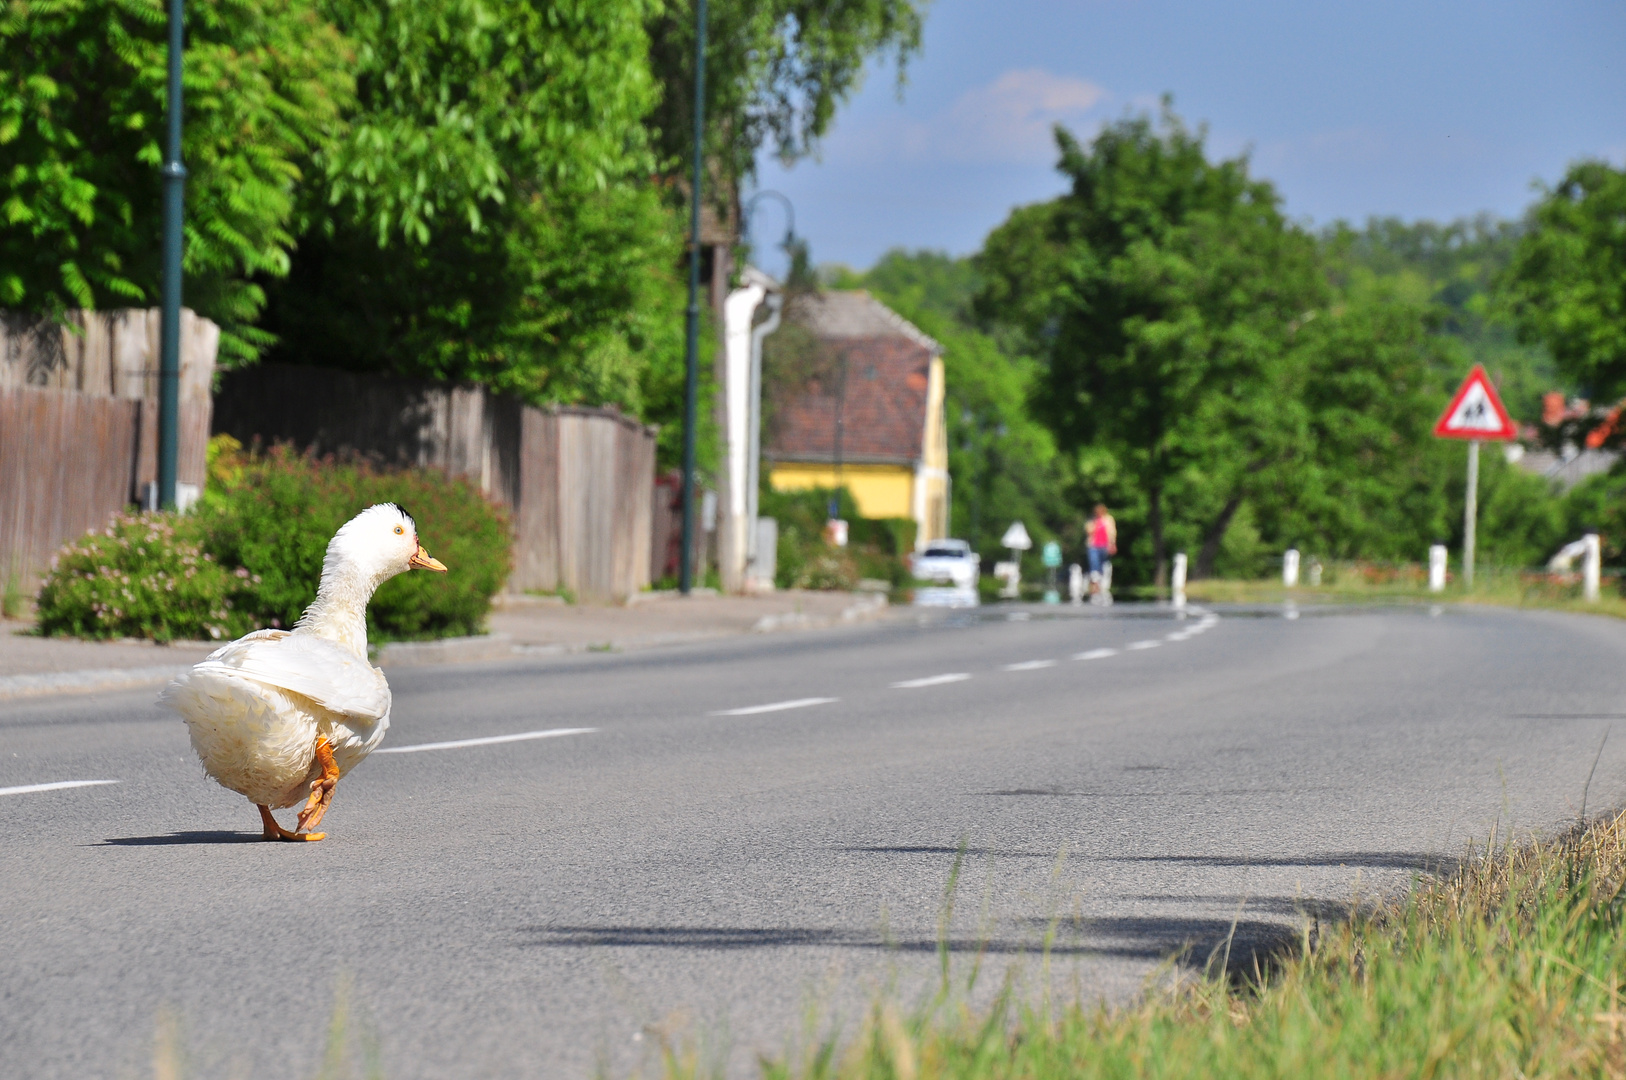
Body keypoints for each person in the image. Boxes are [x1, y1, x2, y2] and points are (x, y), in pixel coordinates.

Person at [1086, 504, 1116, 601]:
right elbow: (1088, 531)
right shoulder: (1092, 520)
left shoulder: (1108, 520)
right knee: (1094, 564)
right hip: (1094, 546)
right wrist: (1094, 524)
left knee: (1103, 565)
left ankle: (1103, 584)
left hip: (1105, 546)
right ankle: (1095, 585)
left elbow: (1112, 532)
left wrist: (1112, 544)